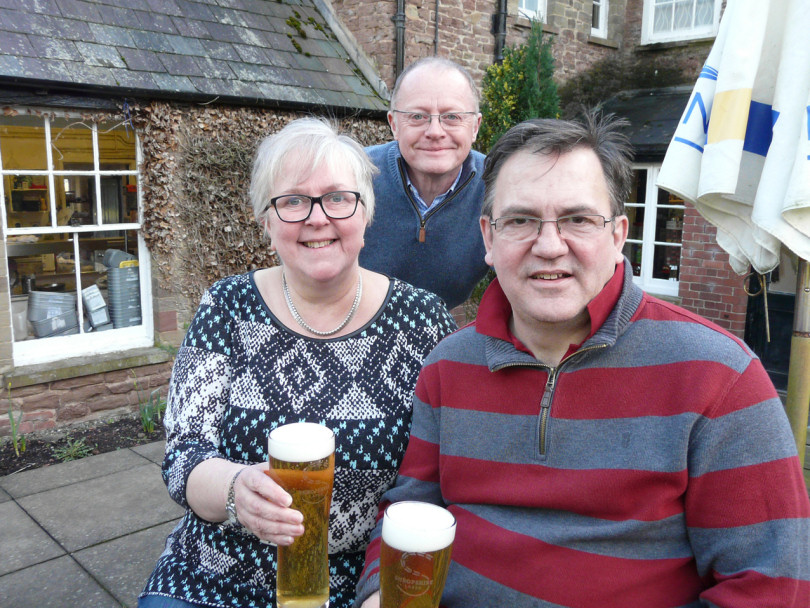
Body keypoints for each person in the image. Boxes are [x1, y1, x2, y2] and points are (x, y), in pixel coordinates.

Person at [355, 112, 810, 607]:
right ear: (488, 237)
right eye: (521, 220)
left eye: (577, 219)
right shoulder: (448, 366)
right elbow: (407, 510)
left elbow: (769, 587)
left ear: (617, 236)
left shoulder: (719, 378)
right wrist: (379, 592)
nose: (549, 247)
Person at [138, 118, 458, 608]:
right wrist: (234, 488)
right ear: (266, 222)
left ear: (365, 213)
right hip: (219, 571)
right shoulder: (227, 307)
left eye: (337, 198)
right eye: (292, 201)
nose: (316, 218)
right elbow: (184, 457)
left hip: (361, 581)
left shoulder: (422, 320)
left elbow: (445, 473)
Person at [359, 57, 490, 311]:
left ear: (475, 126)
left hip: (441, 331)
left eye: (452, 117)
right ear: (394, 124)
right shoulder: (353, 174)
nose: (435, 131)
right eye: (417, 116)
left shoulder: (498, 185)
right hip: (352, 326)